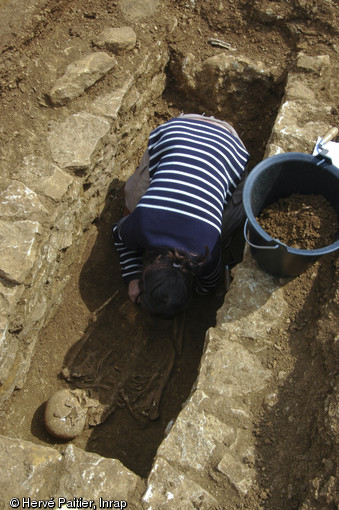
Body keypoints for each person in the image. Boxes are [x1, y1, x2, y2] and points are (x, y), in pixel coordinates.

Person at [113, 114, 250, 319]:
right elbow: (118, 234)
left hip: (224, 144)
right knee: (135, 201)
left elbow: (209, 285)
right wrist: (133, 277)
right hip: (193, 134)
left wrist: (134, 277)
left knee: (221, 230)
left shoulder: (207, 250)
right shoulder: (143, 226)